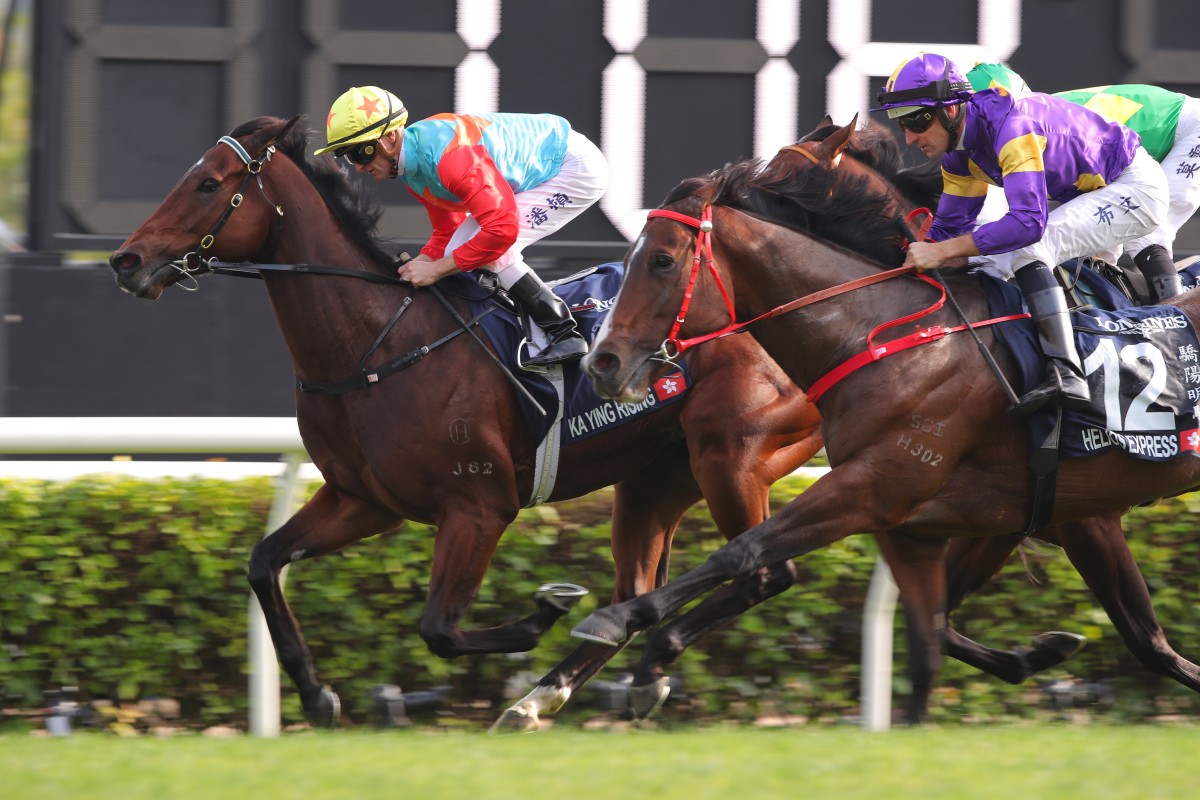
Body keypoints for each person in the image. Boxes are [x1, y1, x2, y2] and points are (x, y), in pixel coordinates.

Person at [874, 53, 1168, 415]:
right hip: (1091, 193)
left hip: (1135, 188)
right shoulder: (959, 155)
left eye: (916, 120)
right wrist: (906, 258)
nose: (909, 137)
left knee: (1030, 248)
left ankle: (1067, 372)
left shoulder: (1013, 127)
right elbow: (950, 230)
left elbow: (1028, 224)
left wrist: (941, 251)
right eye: (900, 124)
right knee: (986, 261)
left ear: (951, 110)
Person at [314, 86, 610, 367]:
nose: (356, 167)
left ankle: (563, 333)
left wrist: (438, 269)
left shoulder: (448, 158)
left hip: (573, 168)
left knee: (489, 249)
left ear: (390, 138)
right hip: (545, 167)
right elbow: (447, 230)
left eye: (358, 153)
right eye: (347, 155)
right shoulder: (411, 165)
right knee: (461, 250)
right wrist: (425, 260)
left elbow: (501, 230)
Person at [969, 62, 1200, 303]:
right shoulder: (1034, 125)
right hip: (1154, 143)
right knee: (1098, 248)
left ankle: (1178, 324)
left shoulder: (1036, 128)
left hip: (1192, 129)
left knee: (1147, 236)